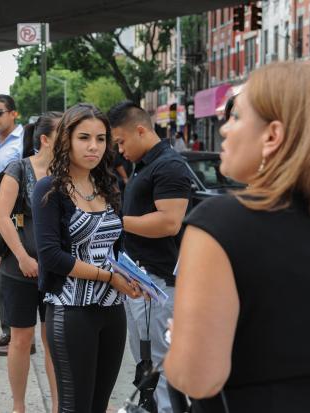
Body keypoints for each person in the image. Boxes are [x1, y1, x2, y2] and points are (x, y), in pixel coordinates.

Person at [164, 62, 310, 412]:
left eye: (236, 117)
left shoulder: (221, 224)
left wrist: (182, 338)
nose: (224, 130)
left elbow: (196, 377)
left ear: (273, 136)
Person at [32, 103, 143, 412]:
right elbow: (52, 256)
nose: (93, 146)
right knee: (74, 406)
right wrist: (109, 277)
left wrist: (135, 276)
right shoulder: (50, 189)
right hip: (71, 310)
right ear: (66, 139)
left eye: (100, 138)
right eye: (84, 138)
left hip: (112, 309)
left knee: (98, 405)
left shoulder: (109, 185)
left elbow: (116, 248)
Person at [108, 101, 191, 413]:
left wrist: (114, 222)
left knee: (163, 360)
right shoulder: (144, 164)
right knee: (147, 358)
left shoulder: (168, 166)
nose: (119, 150)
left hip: (159, 282)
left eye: (120, 141)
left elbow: (169, 222)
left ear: (140, 130)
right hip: (141, 278)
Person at [0, 112, 62, 413]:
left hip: (58, 270)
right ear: (45, 139)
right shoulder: (18, 168)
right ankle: (18, 406)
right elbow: (1, 217)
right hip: (18, 269)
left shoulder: (70, 172)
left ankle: (60, 405)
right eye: (66, 133)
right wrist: (22, 256)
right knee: (21, 339)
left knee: (54, 342)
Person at [0, 94, 24, 354]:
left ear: (13, 114)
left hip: (16, 214)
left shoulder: (23, 142)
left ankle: (21, 337)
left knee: (12, 275)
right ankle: (9, 330)